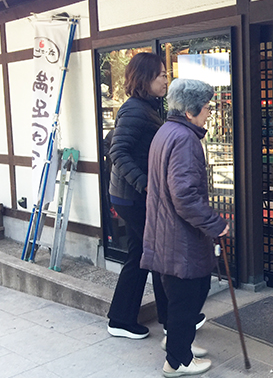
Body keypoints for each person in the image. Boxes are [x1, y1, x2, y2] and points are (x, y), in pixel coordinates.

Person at [141, 79, 229, 377]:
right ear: (190, 111)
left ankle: (178, 344)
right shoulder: (186, 140)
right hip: (180, 237)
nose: (209, 113)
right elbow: (185, 196)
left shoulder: (167, 131)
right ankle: (177, 361)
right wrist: (215, 224)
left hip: (165, 232)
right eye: (207, 107)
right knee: (189, 297)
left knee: (181, 297)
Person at [106, 52, 169, 339]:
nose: (166, 80)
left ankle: (121, 319)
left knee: (141, 255)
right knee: (156, 254)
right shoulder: (135, 109)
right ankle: (172, 319)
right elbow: (118, 152)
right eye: (162, 75)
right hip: (133, 198)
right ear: (146, 78)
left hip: (131, 197)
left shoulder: (147, 107)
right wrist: (146, 184)